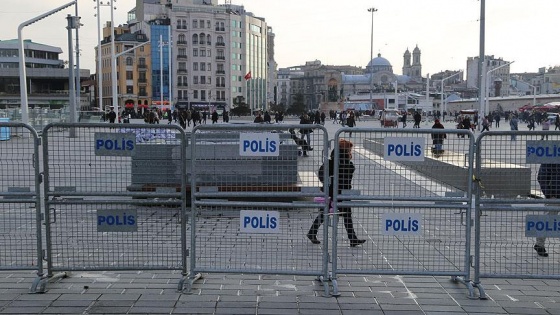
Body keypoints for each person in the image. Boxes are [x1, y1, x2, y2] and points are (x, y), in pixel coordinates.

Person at [307, 139, 366, 247]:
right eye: (349, 149)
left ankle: (312, 233)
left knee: (329, 213)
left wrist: (328, 183)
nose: (350, 151)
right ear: (345, 149)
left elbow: (321, 174)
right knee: (344, 214)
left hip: (332, 191)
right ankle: (352, 239)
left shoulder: (331, 161)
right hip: (341, 192)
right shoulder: (344, 162)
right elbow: (347, 174)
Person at [534, 163, 560, 257]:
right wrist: (549, 194)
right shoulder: (551, 158)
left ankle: (539, 244)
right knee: (547, 220)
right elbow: (541, 177)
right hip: (554, 195)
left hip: (554, 193)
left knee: (547, 219)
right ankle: (539, 244)